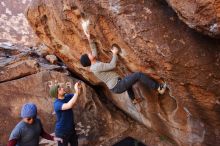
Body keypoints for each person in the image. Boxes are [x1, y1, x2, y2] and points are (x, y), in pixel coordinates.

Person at [80, 34, 166, 104]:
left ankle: (133, 100)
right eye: (89, 55)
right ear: (90, 59)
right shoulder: (96, 67)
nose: (90, 53)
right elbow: (112, 65)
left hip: (117, 86)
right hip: (118, 86)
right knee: (138, 75)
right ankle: (159, 88)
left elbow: (94, 51)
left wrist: (89, 39)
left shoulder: (94, 64)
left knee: (128, 82)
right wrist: (114, 53)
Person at [49, 82, 81, 146]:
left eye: (61, 87)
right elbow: (69, 105)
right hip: (61, 132)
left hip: (71, 129)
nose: (62, 88)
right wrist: (76, 91)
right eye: (59, 89)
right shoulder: (57, 104)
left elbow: (77, 95)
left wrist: (78, 88)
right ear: (56, 94)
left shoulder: (67, 96)